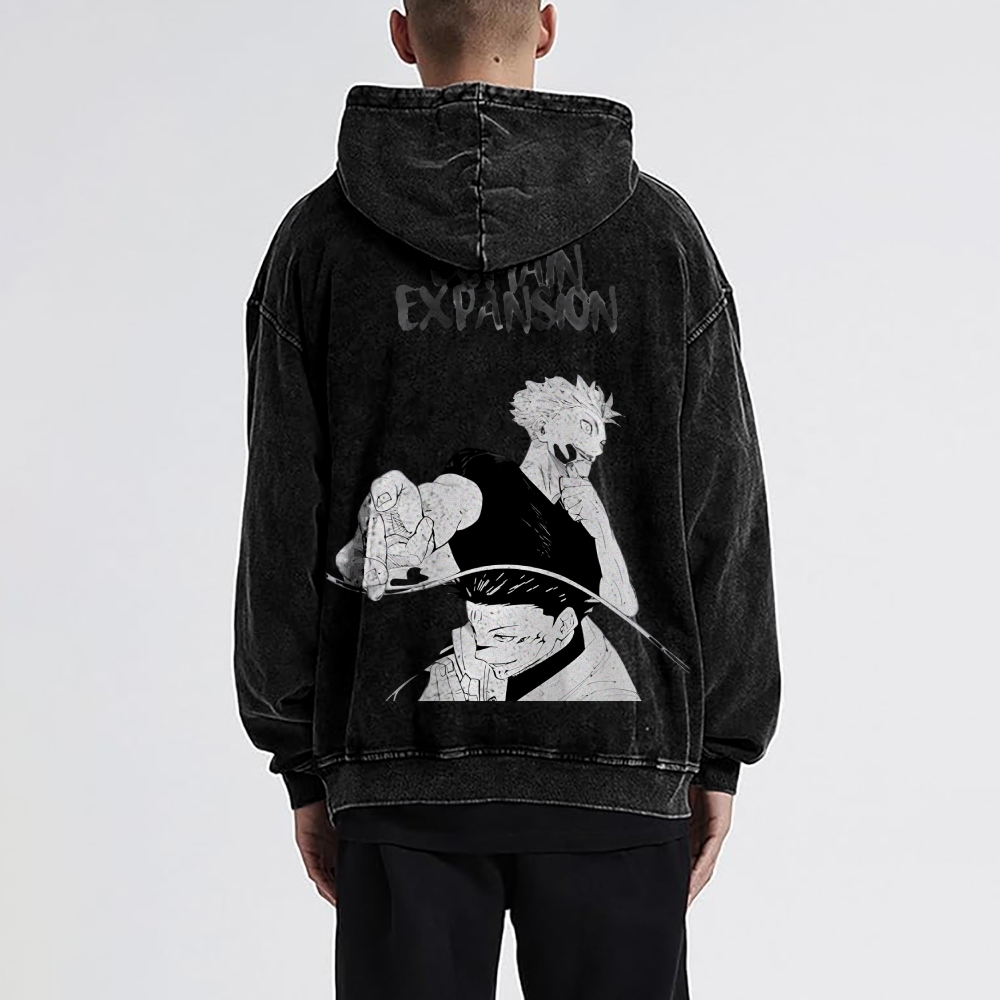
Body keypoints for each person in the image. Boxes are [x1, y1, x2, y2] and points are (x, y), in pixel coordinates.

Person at [233, 2, 782, 997]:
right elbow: (723, 512)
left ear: (403, 32)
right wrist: (718, 750)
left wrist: (304, 759)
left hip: (400, 773)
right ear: (547, 24)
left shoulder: (318, 246)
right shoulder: (662, 240)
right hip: (616, 772)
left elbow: (280, 522)